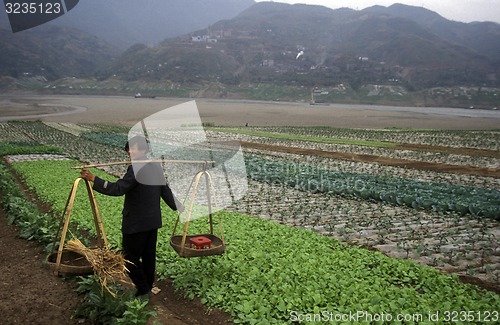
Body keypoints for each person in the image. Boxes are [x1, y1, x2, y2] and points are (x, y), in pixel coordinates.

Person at [80, 135, 184, 298]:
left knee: (129, 257)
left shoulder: (136, 168)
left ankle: (143, 290)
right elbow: (165, 190)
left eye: (133, 148)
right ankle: (147, 286)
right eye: (128, 148)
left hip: (136, 223)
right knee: (148, 257)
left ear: (143, 150)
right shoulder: (154, 167)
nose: (129, 151)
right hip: (152, 222)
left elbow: (119, 188)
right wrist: (178, 205)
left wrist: (94, 179)